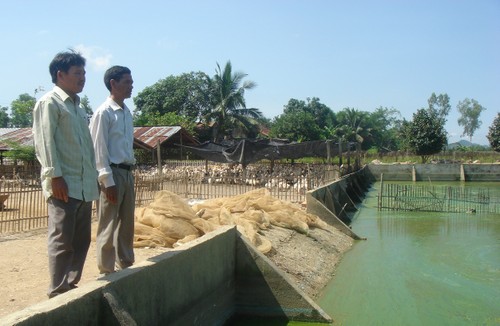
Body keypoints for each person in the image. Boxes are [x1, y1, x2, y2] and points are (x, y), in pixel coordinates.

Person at [32, 50, 99, 298]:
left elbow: (86, 149)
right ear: (60, 75)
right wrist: (54, 176)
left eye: (83, 73)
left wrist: (94, 179)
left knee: (81, 240)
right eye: (77, 73)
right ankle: (58, 289)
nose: (82, 78)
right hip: (64, 183)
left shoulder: (79, 108)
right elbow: (45, 142)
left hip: (83, 185)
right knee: (62, 239)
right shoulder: (49, 103)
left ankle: (71, 283)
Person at [89, 66, 136, 275]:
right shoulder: (103, 113)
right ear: (113, 84)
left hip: (127, 172)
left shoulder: (126, 113)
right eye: (127, 82)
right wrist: (107, 181)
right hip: (112, 172)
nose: (131, 86)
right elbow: (99, 149)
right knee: (108, 222)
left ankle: (125, 263)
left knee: (127, 222)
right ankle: (106, 269)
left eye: (131, 82)